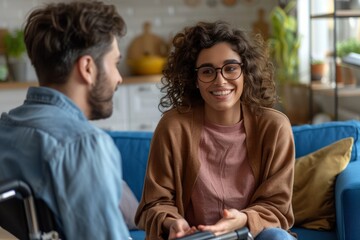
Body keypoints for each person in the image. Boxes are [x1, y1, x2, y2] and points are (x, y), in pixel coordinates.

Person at [135, 21, 296, 240]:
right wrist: (173, 222)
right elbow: (153, 204)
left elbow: (278, 206)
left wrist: (244, 219)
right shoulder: (172, 127)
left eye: (230, 68)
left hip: (252, 235)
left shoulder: (275, 128)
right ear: (195, 79)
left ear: (246, 72)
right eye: (207, 71)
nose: (220, 81)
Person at [0, 1, 131, 239]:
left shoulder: (5, 129)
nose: (119, 77)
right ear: (88, 68)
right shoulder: (83, 145)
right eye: (115, 63)